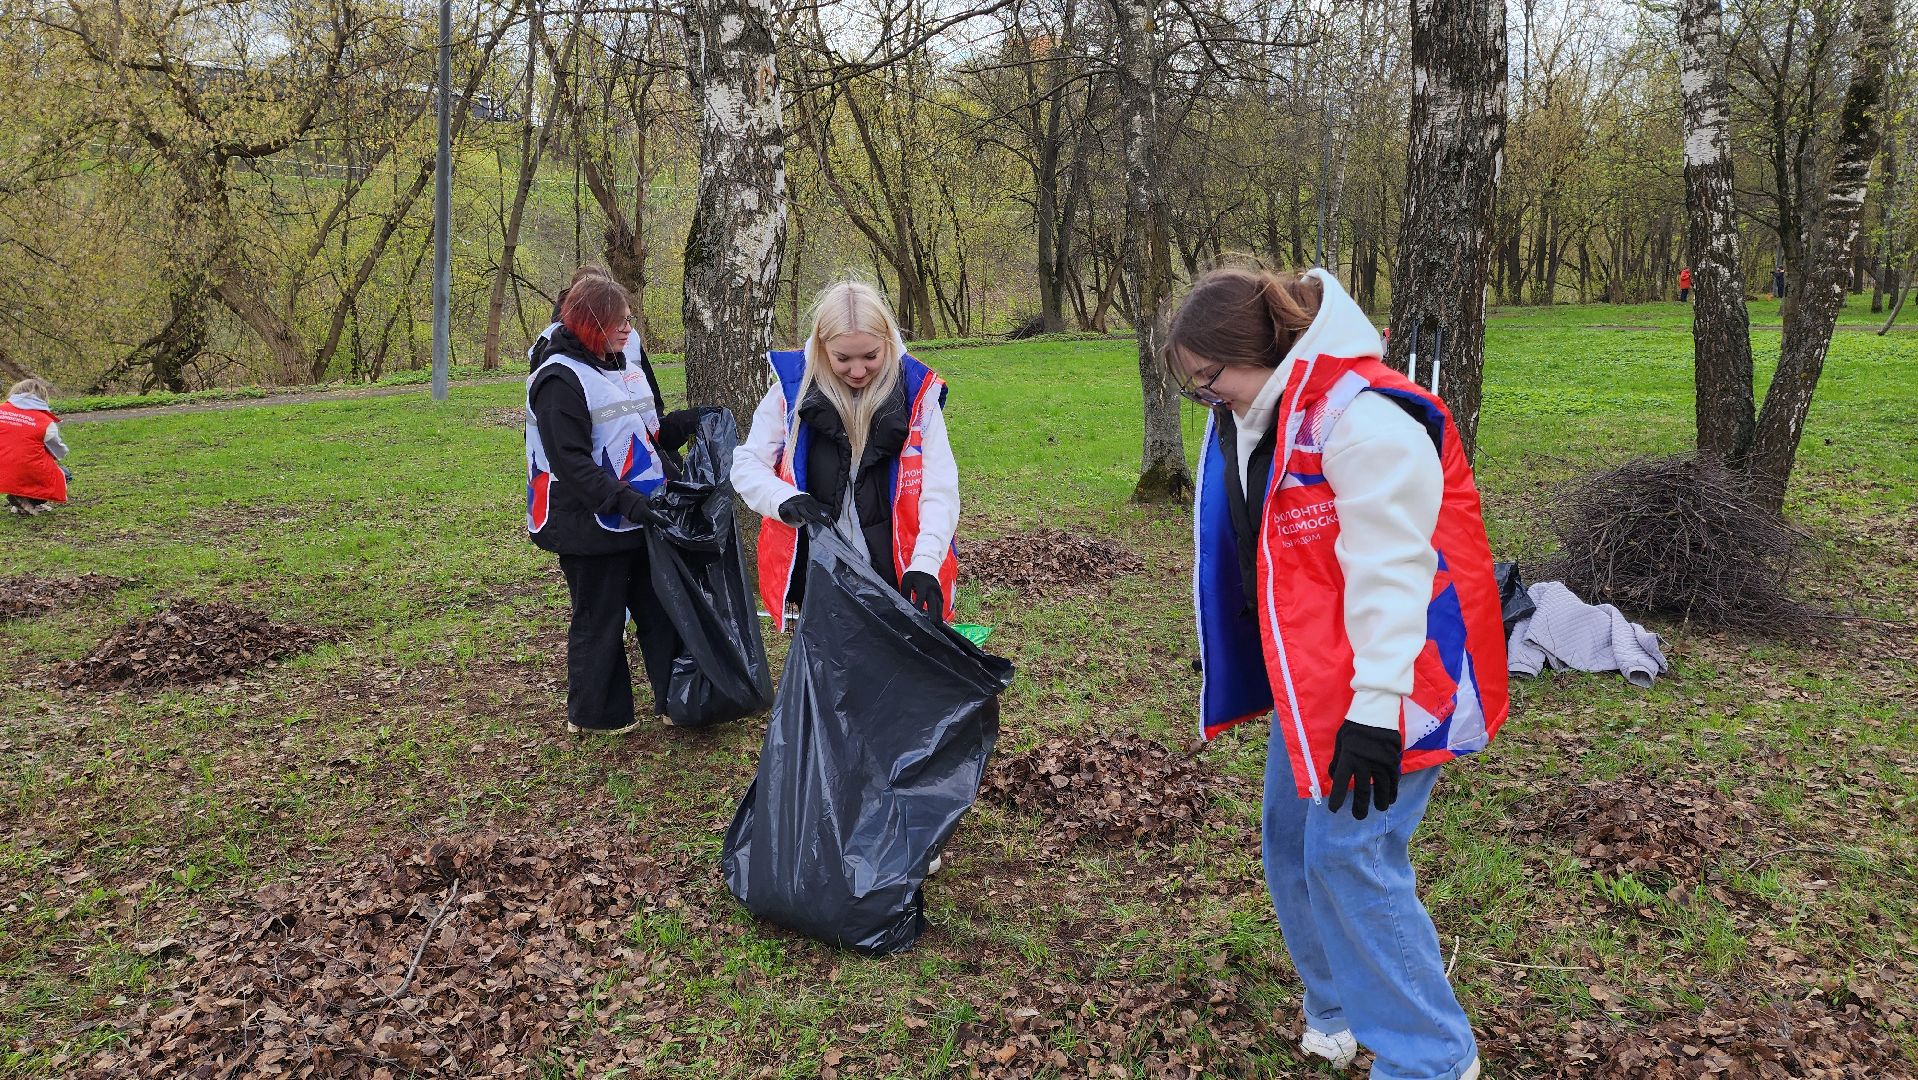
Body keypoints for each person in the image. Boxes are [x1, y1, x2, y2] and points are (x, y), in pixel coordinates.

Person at [1170, 264, 1509, 1080]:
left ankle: (1430, 1056)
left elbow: (1396, 576)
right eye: (1194, 390)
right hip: (1317, 681)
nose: (1207, 400)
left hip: (1395, 685)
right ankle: (1337, 1006)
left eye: (1209, 380)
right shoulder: (1265, 411)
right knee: (1292, 844)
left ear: (1261, 347)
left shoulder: (1361, 420)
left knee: (1350, 855)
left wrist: (1374, 713)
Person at [525, 273, 708, 733]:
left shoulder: (625, 357)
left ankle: (674, 699)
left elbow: (645, 429)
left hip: (640, 510)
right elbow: (571, 461)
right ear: (590, 325)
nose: (628, 330)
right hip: (584, 518)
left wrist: (686, 424)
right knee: (600, 613)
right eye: (617, 322)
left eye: (629, 320)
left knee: (657, 606)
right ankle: (597, 716)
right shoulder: (558, 379)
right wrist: (623, 501)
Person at [732, 280, 959, 629]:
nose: (857, 371)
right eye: (842, 358)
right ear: (823, 348)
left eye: (870, 356)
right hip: (821, 576)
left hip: (898, 573)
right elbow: (747, 465)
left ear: (887, 342)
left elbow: (940, 488)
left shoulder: (918, 400)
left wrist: (926, 562)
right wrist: (782, 498)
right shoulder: (789, 395)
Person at [1, 378, 70, 516]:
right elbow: (59, 452)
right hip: (26, 470)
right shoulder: (44, 421)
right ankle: (31, 501)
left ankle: (19, 499)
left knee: (10, 470)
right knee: (65, 474)